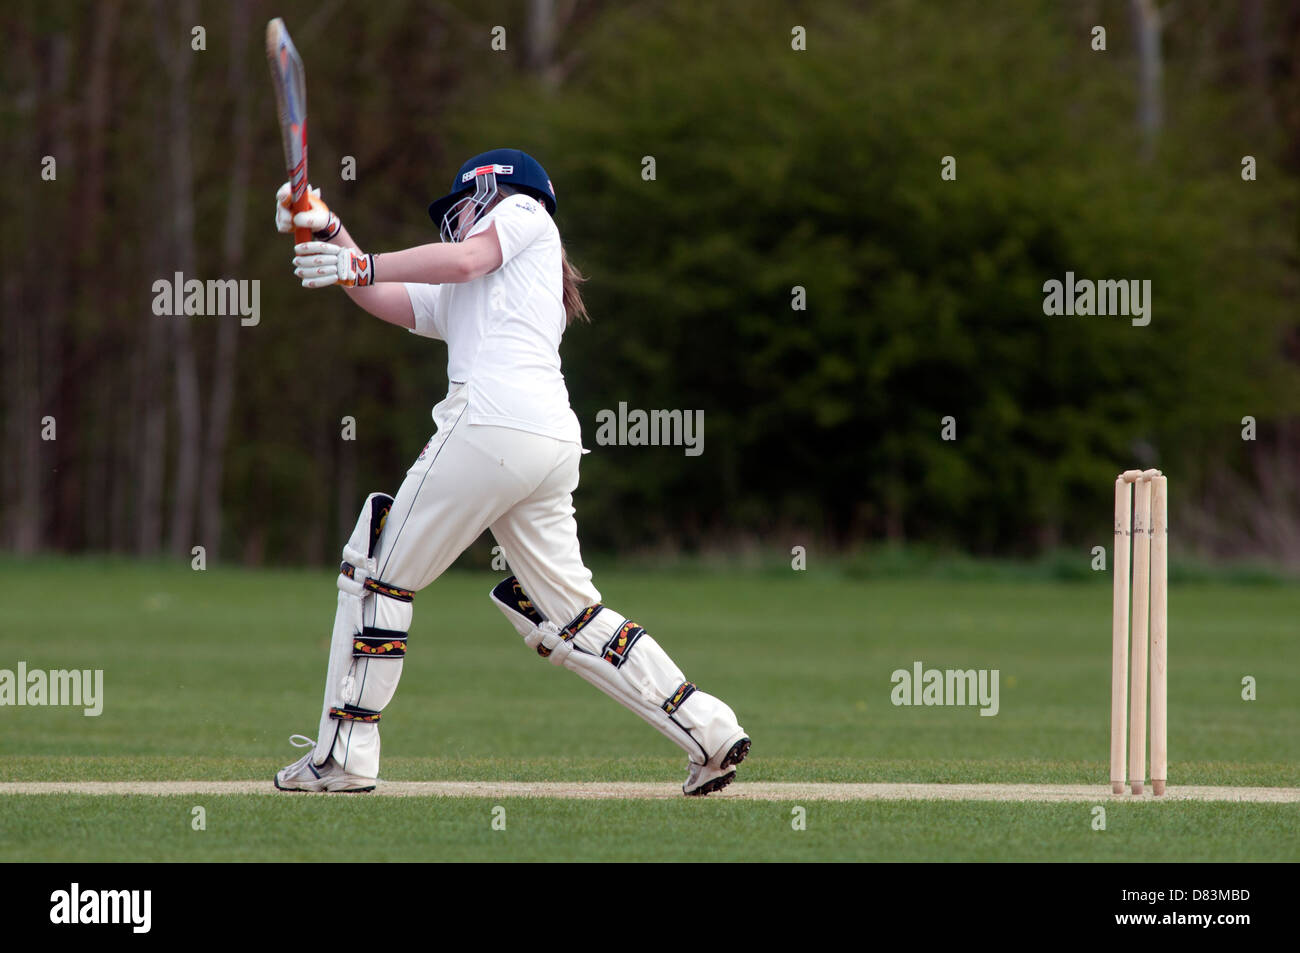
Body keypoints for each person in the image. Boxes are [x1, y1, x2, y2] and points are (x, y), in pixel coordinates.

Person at [271, 149, 750, 796]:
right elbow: (383, 295)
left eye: (460, 207)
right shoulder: (493, 287)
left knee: (376, 570)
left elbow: (462, 257)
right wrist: (331, 231)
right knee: (571, 615)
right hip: (546, 443)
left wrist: (361, 259)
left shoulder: (525, 214)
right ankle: (710, 730)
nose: (453, 223)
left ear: (490, 191)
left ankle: (344, 755)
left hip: (488, 425)